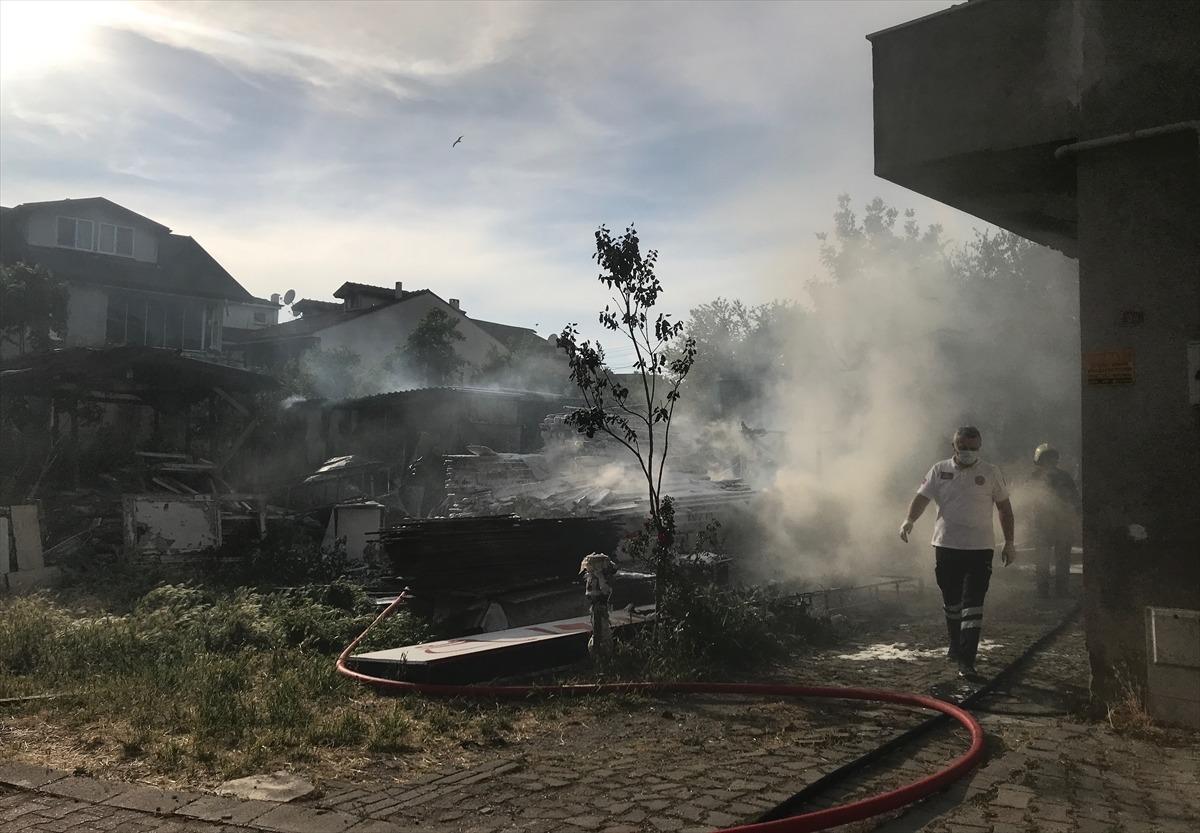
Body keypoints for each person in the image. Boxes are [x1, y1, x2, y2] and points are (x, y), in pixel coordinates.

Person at [899, 426, 1016, 680]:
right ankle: (955, 641)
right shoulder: (939, 470)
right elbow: (922, 497)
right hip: (946, 545)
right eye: (963, 447)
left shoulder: (991, 472)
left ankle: (967, 659)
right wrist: (909, 520)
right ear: (954, 447)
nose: (968, 453)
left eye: (973, 448)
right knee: (952, 599)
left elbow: (1004, 509)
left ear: (980, 448)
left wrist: (1009, 542)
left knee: (973, 603)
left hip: (980, 548)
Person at [1029, 443, 1080, 598]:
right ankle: (1043, 591)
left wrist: (1074, 517)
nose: (1050, 461)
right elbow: (1028, 500)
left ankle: (1061, 590)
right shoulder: (1034, 478)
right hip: (1043, 525)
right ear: (1040, 460)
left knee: (1062, 560)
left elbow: (1075, 500)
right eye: (1046, 458)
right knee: (1042, 561)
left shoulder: (1064, 477)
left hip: (1061, 524)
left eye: (1051, 458)